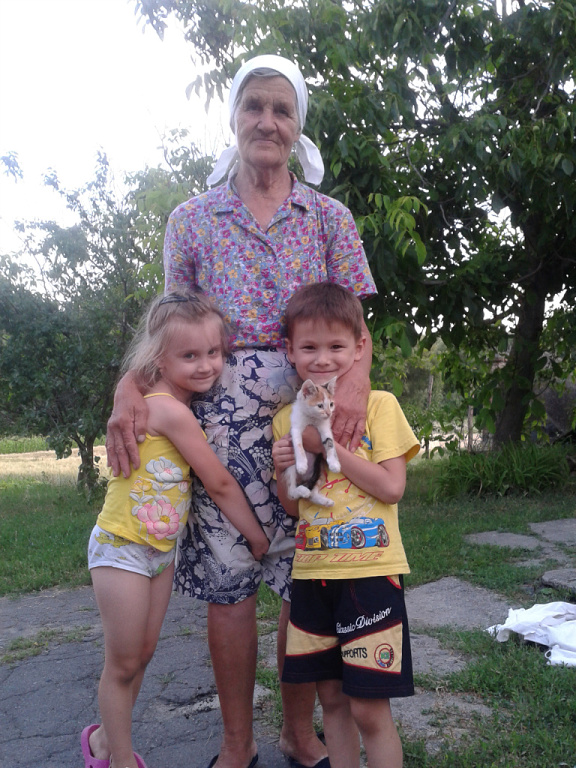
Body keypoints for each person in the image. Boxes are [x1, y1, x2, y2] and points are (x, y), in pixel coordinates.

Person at [106, 54, 378, 768]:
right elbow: (168, 329)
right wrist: (129, 385)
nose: (266, 121)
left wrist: (353, 388)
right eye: (254, 106)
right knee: (229, 587)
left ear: (297, 126)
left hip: (306, 418)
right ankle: (237, 743)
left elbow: (357, 326)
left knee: (301, 581)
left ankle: (296, 731)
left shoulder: (329, 217)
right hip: (216, 426)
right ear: (233, 117)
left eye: (281, 110)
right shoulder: (192, 219)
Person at [83, 291, 269, 768]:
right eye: (190, 356)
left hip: (160, 551)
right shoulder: (168, 410)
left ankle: (102, 739)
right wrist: (256, 535)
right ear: (158, 359)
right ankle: (119, 760)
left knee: (142, 654)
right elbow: (219, 483)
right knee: (123, 662)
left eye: (214, 352)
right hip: (123, 546)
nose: (206, 365)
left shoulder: (165, 402)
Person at [272, 283, 420, 768]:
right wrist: (284, 468)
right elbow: (292, 508)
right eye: (309, 347)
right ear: (289, 350)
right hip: (313, 577)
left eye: (336, 346)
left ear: (359, 347)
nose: (322, 359)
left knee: (369, 710)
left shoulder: (381, 405)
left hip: (370, 574)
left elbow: (391, 487)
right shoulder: (286, 420)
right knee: (332, 703)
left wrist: (325, 447)